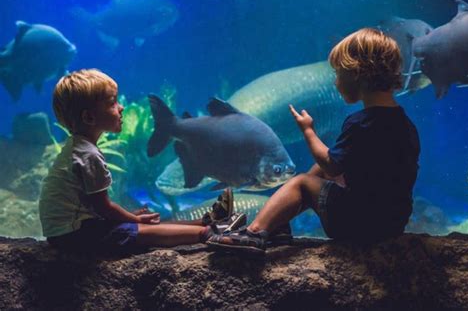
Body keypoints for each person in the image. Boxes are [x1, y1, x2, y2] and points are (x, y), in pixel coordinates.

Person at [207, 28, 420, 255]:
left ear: (358, 75)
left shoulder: (360, 123)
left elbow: (332, 165)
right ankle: (277, 224)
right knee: (318, 172)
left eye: (339, 74)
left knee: (302, 183)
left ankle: (254, 234)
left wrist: (308, 131)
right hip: (392, 223)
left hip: (357, 223)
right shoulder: (405, 125)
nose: (336, 83)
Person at [39, 69, 244, 254]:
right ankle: (207, 234)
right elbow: (103, 208)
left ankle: (206, 222)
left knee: (143, 223)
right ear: (89, 117)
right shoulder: (87, 155)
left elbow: (96, 207)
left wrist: (130, 216)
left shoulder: (79, 147)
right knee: (138, 231)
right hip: (74, 236)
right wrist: (133, 218)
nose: (121, 108)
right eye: (112, 102)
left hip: (73, 230)